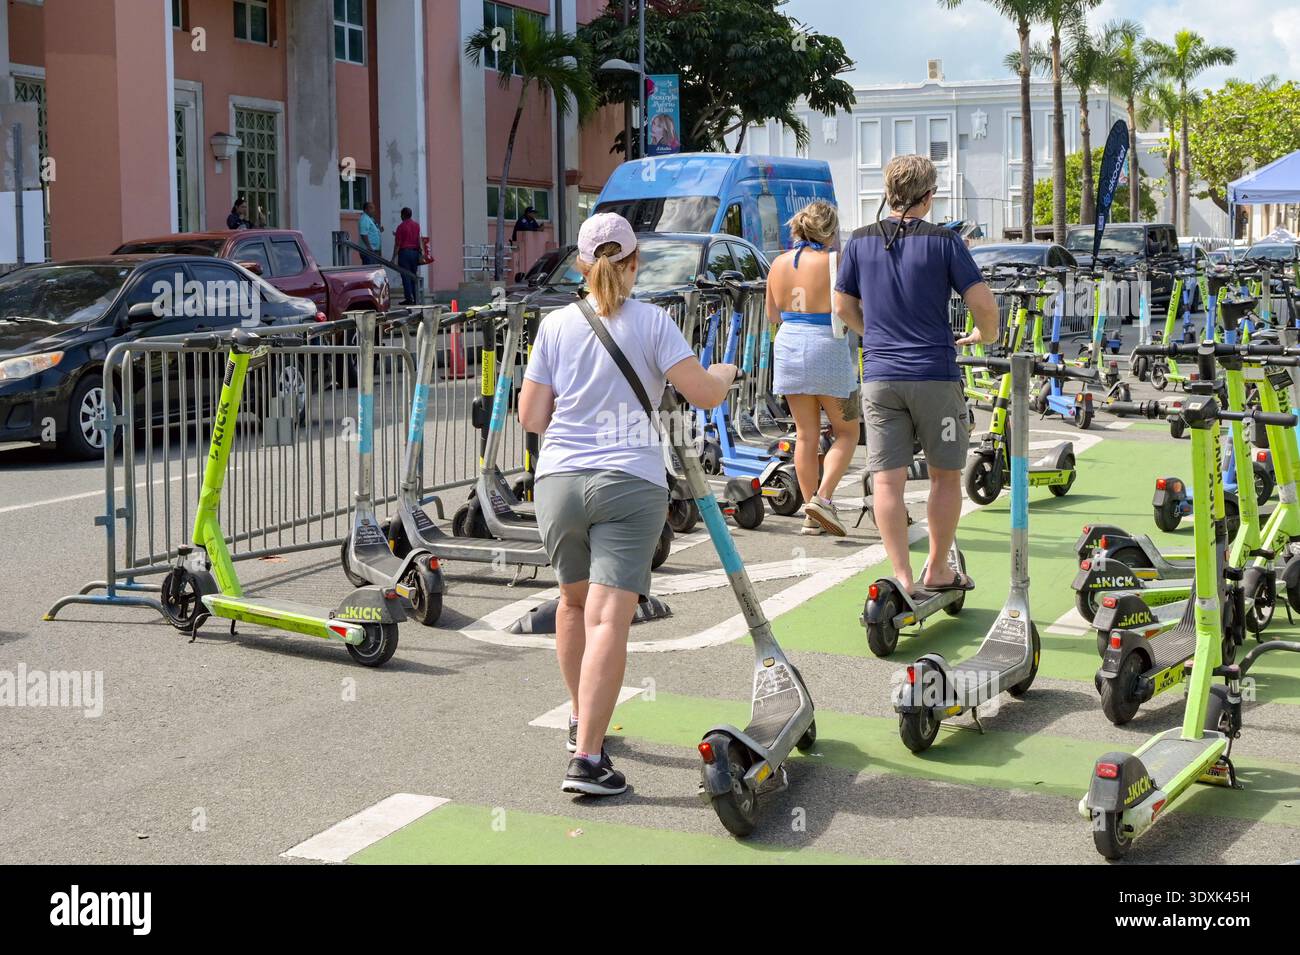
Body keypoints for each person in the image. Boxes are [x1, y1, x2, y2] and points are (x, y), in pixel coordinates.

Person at [518, 212, 737, 796]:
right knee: (609, 616)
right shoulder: (654, 322)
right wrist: (726, 370)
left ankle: (578, 721)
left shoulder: (555, 327)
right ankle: (588, 758)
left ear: (583, 267)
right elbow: (705, 393)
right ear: (636, 262)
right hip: (629, 480)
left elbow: (532, 417)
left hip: (559, 479)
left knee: (571, 606)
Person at [835, 154, 999, 594]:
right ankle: (938, 569)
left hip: (881, 375)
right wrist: (986, 335)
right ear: (927, 198)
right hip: (933, 373)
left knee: (887, 480)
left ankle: (903, 576)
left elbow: (842, 307)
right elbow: (983, 303)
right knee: (946, 475)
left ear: (887, 194)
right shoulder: (945, 242)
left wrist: (875, 333)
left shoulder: (859, 241)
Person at [765, 200, 862, 536]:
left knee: (805, 434)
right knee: (848, 430)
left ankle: (810, 512)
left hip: (789, 345)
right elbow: (850, 306)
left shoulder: (778, 263)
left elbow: (773, 315)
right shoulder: (837, 261)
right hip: (828, 348)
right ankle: (823, 499)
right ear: (831, 230)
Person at [393, 207, 422, 305]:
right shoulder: (416, 225)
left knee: (405, 276)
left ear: (403, 215)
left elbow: (398, 244)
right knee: (413, 275)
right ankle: (416, 298)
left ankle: (409, 298)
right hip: (415, 253)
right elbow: (418, 239)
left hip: (404, 253)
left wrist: (393, 258)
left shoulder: (401, 227)